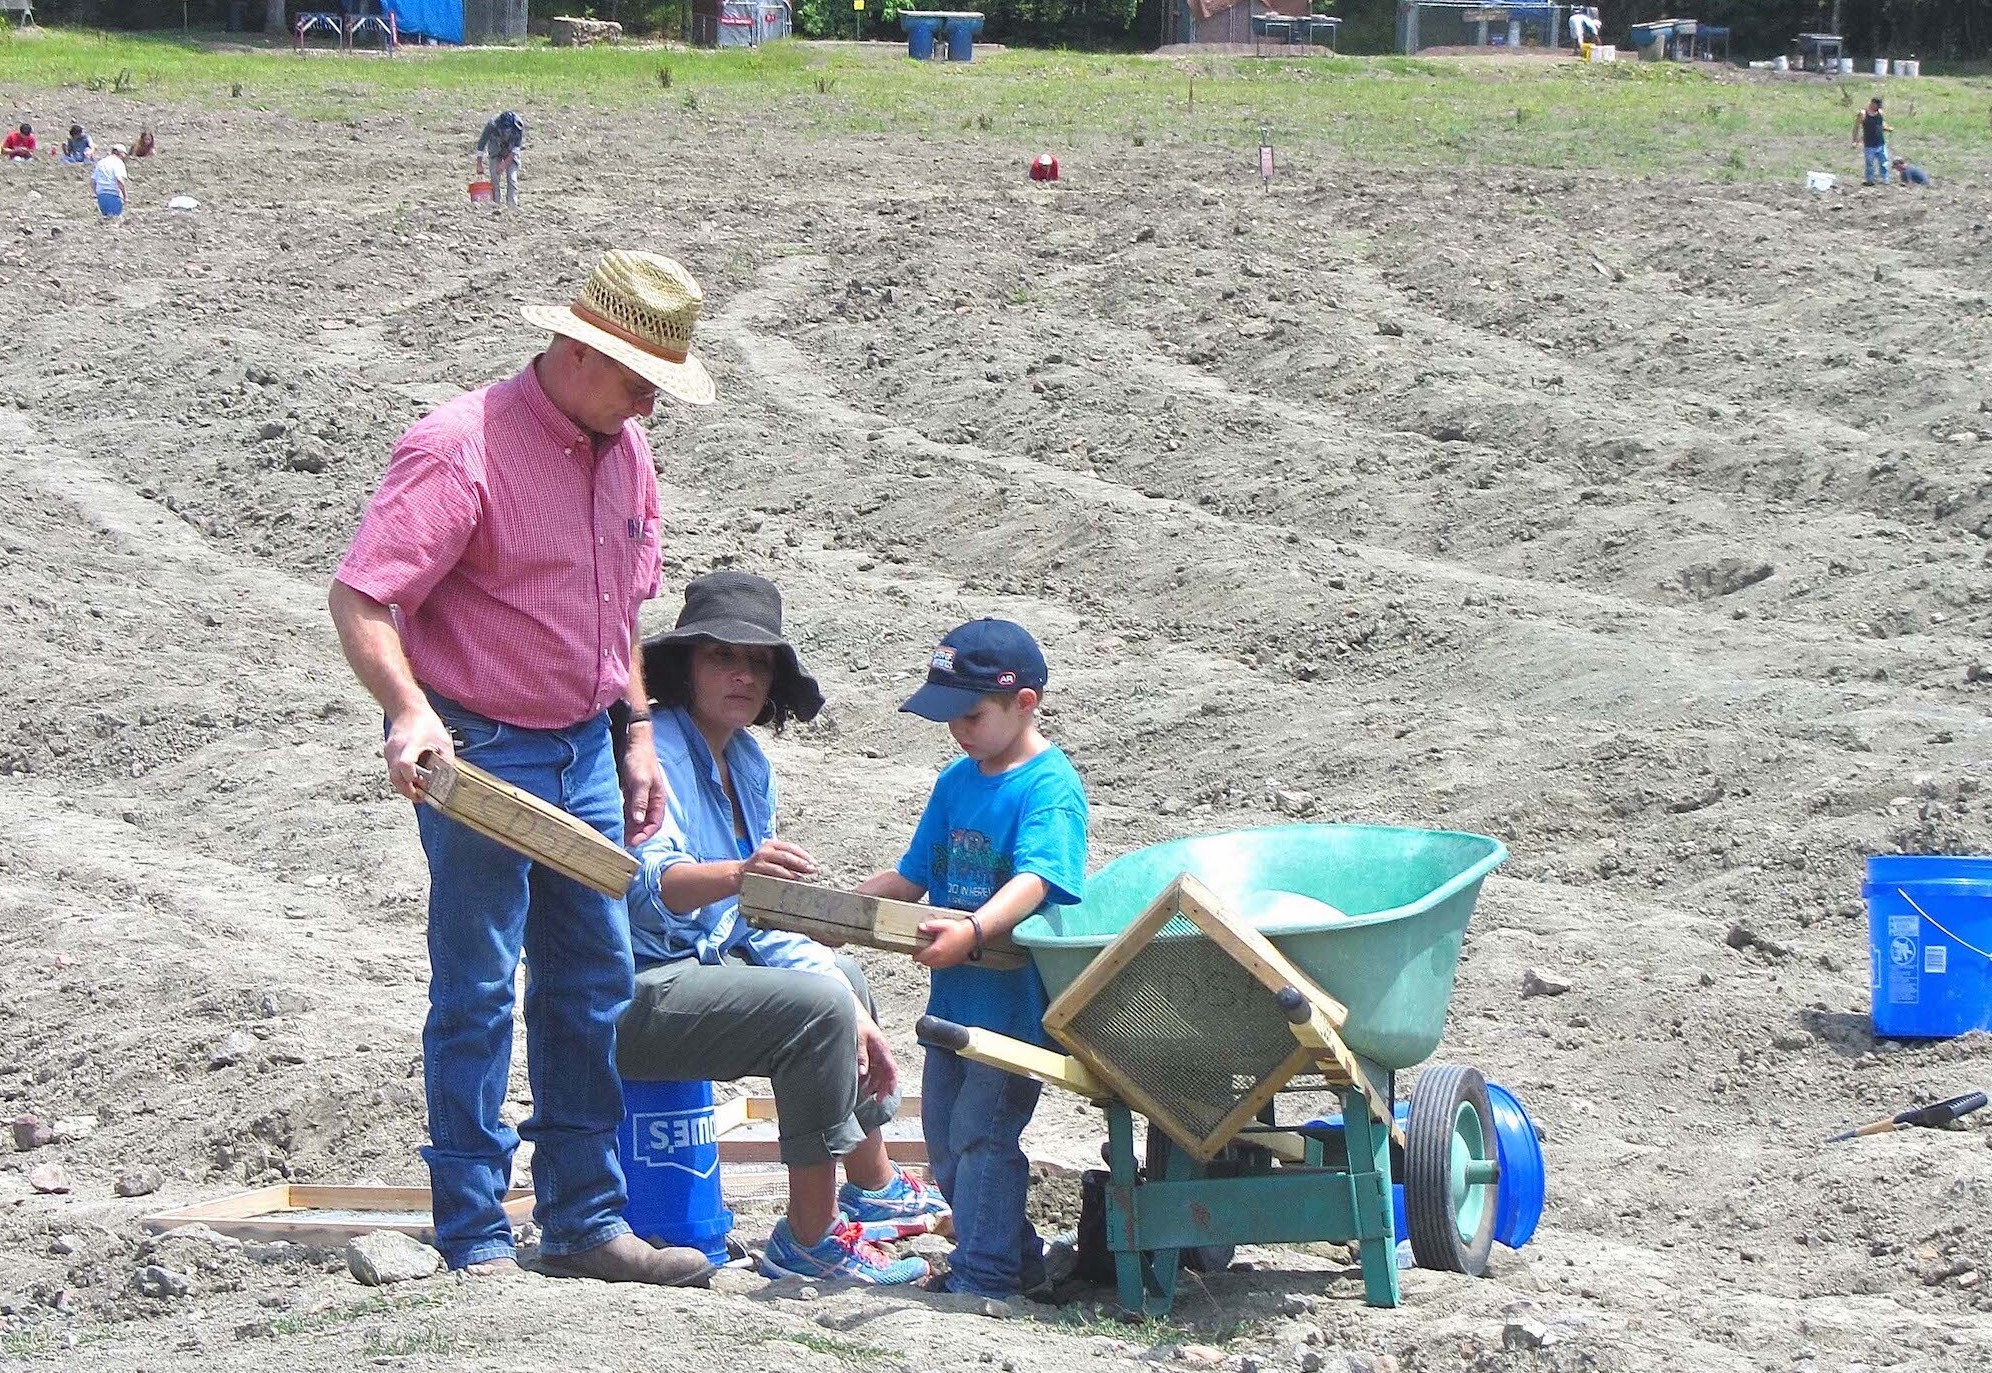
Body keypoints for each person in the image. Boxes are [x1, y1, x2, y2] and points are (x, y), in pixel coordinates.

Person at [327, 250, 719, 1286]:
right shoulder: (458, 450)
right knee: (481, 988)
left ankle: (586, 1220)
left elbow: (620, 610)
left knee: (594, 978)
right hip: (482, 750)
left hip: (586, 744)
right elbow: (363, 597)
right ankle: (474, 1230)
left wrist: (637, 728)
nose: (650, 403)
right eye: (642, 380)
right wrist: (409, 711)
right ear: (583, 348)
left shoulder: (625, 450)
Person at [616, 570, 948, 1285]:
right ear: (686, 666)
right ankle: (809, 1235)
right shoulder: (652, 752)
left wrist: (841, 991)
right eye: (722, 657)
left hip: (699, 971)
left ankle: (875, 1186)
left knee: (843, 981)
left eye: (758, 663)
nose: (742, 675)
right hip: (632, 988)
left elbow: (761, 922)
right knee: (819, 1009)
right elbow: (650, 893)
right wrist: (741, 873)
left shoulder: (748, 762)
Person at [854, 619, 1089, 1301]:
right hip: (953, 1001)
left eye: (971, 713)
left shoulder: (1048, 785)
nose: (958, 728)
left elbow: (1037, 879)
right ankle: (1016, 1257)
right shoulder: (956, 781)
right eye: (948, 716)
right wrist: (838, 910)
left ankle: (985, 1276)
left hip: (1012, 1002)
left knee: (984, 1135)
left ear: (1026, 703)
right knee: (947, 1142)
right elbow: (911, 875)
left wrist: (974, 931)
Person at [475, 110, 525, 212]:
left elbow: (516, 149)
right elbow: (481, 145)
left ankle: (512, 207)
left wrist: (504, 164)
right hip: (495, 148)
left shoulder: (518, 126)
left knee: (512, 179)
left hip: (510, 150)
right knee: (494, 178)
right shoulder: (491, 125)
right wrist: (479, 164)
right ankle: (495, 205)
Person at [1854, 97, 1892, 186]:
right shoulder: (1863, 114)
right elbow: (1856, 127)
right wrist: (1855, 140)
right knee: (1870, 164)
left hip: (1880, 143)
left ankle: (1885, 179)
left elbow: (1881, 123)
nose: (1878, 107)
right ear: (1872, 104)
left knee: (1884, 162)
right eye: (1877, 105)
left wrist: (1887, 128)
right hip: (1869, 144)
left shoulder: (1880, 113)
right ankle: (1870, 180)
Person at [91, 144, 128, 220]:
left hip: (101, 195)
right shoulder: (118, 163)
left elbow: (93, 181)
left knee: (106, 219)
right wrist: (125, 196)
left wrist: (97, 193)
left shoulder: (101, 162)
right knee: (115, 219)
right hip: (114, 194)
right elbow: (119, 180)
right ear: (120, 153)